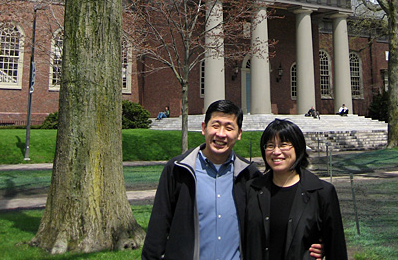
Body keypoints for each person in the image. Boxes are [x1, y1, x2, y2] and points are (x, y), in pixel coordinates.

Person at [142, 100, 324, 260]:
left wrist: (309, 242)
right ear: (204, 128)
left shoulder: (250, 175)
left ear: (239, 134)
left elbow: (273, 222)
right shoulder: (178, 170)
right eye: (216, 125)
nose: (221, 134)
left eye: (229, 128)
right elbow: (158, 229)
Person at [245, 118, 348, 260]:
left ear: (298, 148)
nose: (276, 152)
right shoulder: (251, 190)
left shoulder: (322, 192)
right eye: (270, 146)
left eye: (284, 145)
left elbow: (336, 249)